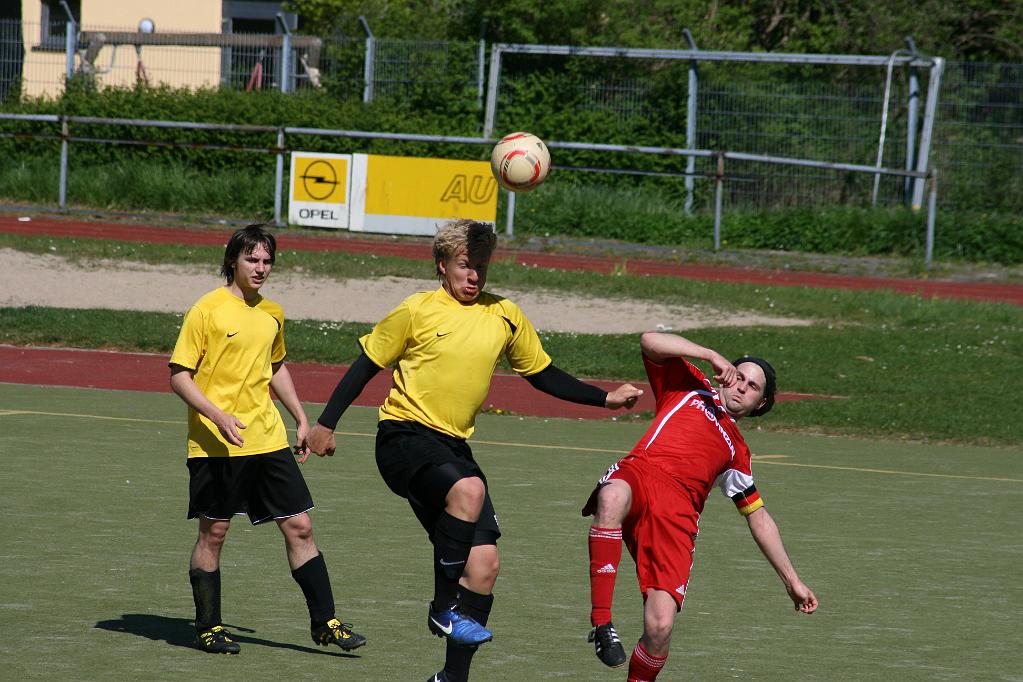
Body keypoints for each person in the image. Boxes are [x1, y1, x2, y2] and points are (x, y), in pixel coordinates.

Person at [305, 219, 643, 682]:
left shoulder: (504, 313)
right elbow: (367, 365)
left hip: (452, 446)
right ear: (442, 265)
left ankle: (451, 677)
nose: (474, 276)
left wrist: (602, 398)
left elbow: (542, 373)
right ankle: (442, 607)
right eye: (465, 266)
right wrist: (326, 424)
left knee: (484, 567)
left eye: (481, 267)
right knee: (468, 490)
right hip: (403, 438)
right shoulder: (417, 309)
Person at [168, 223, 366, 655]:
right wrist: (217, 415)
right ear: (232, 261)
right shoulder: (207, 310)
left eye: (266, 261)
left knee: (300, 525)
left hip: (267, 438)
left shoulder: (272, 312)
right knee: (214, 533)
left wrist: (300, 418)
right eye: (251, 259)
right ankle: (208, 627)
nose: (260, 268)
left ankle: (325, 622)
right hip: (217, 443)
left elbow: (275, 367)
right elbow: (179, 376)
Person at [582, 331, 818, 680]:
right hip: (643, 476)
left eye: (753, 387)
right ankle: (602, 622)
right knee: (612, 495)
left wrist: (792, 581)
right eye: (740, 376)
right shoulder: (688, 386)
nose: (741, 387)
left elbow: (759, 518)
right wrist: (710, 353)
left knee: (660, 627)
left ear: (760, 405)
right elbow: (649, 341)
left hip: (677, 517)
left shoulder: (738, 452)